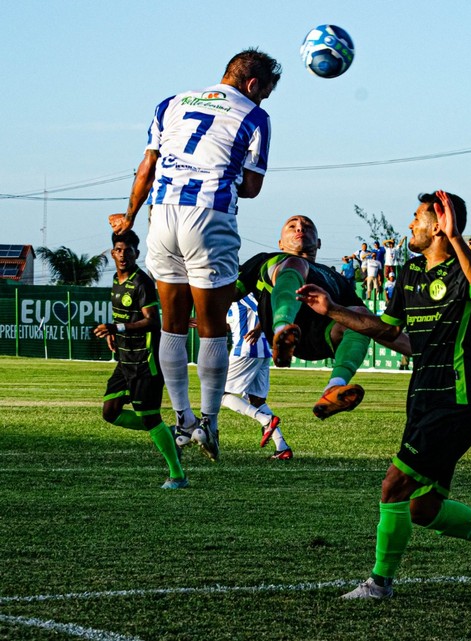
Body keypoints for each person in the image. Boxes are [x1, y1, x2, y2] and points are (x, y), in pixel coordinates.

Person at [296, 191, 471, 599]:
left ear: (439, 224)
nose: (409, 225)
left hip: (457, 400)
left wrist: (458, 240)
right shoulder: (410, 272)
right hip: (422, 399)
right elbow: (387, 329)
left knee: (393, 486)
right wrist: (332, 309)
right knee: (423, 509)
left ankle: (379, 584)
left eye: (417, 217)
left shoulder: (463, 268)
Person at [109, 49, 282, 462]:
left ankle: (183, 420)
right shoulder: (256, 116)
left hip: (162, 214)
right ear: (253, 84)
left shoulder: (171, 102)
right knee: (211, 327)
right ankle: (208, 422)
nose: (263, 101)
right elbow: (252, 187)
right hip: (209, 215)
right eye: (265, 93)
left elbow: (146, 167)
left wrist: (129, 217)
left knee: (171, 326)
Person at [235, 215, 408, 422]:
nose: (300, 227)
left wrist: (425, 350)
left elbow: (374, 328)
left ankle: (334, 387)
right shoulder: (265, 258)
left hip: (321, 338)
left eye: (307, 226)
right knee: (294, 263)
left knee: (361, 316)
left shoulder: (336, 278)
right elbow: (228, 291)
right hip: (281, 325)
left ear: (318, 243)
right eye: (292, 226)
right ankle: (283, 330)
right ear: (280, 243)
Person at [94, 230, 187, 489]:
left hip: (145, 360)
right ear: (113, 253)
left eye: (129, 250)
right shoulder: (115, 279)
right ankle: (167, 433)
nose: (123, 255)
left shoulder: (142, 282)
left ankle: (177, 475)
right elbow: (123, 318)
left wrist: (118, 329)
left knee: (149, 418)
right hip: (125, 360)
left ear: (137, 253)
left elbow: (152, 321)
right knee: (110, 413)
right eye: (119, 250)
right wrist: (113, 335)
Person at [220, 293, 290, 460]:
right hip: (260, 351)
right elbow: (233, 325)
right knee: (257, 400)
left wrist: (259, 329)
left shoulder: (242, 294)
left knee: (219, 394)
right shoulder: (228, 300)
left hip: (247, 350)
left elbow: (270, 310)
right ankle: (282, 447)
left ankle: (265, 420)